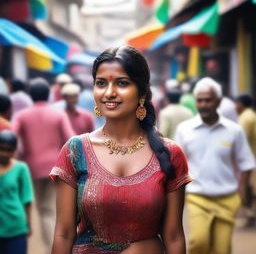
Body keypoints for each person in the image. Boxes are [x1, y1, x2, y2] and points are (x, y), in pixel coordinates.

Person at [50, 46, 192, 254]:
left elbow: (173, 236)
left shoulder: (169, 154)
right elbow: (63, 233)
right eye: (101, 83)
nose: (109, 93)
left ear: (142, 92)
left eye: (122, 83)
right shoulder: (75, 150)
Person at [174, 77, 256, 254]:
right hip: (197, 197)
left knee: (222, 249)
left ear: (218, 101)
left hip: (227, 198)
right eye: (200, 100)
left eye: (208, 100)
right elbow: (177, 166)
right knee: (198, 243)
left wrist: (241, 189)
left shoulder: (234, 130)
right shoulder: (184, 129)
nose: (203, 104)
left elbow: (247, 163)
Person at [12, 78, 75, 254]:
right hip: (56, 167)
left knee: (36, 208)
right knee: (49, 209)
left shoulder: (22, 115)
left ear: (30, 95)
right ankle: (50, 248)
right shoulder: (58, 114)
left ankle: (40, 248)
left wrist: (18, 158)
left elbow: (12, 139)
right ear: (48, 94)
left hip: (31, 167)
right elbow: (70, 139)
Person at [0, 130, 34, 254]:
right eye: (1, 149)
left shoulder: (21, 168)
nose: (4, 153)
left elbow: (27, 198)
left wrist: (28, 223)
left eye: (8, 150)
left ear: (14, 151)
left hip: (16, 227)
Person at [235, 93, 256, 227]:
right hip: (251, 157)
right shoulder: (251, 115)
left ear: (242, 104)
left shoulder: (245, 118)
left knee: (245, 187)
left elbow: (240, 141)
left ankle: (250, 215)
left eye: (237, 103)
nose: (235, 106)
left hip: (248, 160)